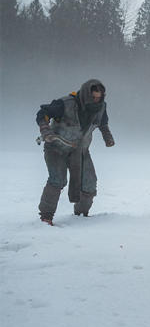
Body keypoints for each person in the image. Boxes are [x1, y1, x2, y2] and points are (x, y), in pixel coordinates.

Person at [36, 79, 115, 224]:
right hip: (56, 148)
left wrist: (107, 136)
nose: (96, 100)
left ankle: (80, 215)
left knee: (89, 183)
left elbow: (102, 123)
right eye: (94, 97)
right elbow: (43, 113)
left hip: (80, 151)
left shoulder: (101, 107)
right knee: (57, 180)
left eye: (99, 97)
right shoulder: (65, 104)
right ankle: (46, 217)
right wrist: (45, 129)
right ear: (86, 94)